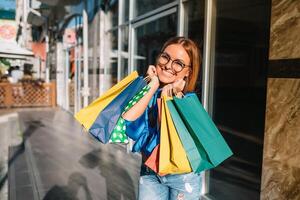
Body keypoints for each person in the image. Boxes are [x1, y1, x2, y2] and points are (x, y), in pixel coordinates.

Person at [122, 36, 202, 200]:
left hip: (181, 176)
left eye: (178, 63)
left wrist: (169, 97)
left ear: (188, 72)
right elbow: (128, 119)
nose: (168, 65)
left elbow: (167, 134)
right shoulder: (149, 90)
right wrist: (153, 85)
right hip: (150, 171)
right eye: (165, 57)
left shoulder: (186, 101)